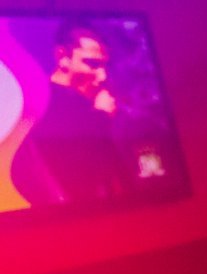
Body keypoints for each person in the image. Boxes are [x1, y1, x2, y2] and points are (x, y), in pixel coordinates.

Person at [11, 23, 125, 205]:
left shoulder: (86, 104)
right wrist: (101, 117)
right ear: (62, 57)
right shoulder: (40, 104)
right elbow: (77, 173)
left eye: (104, 66)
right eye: (92, 63)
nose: (102, 76)